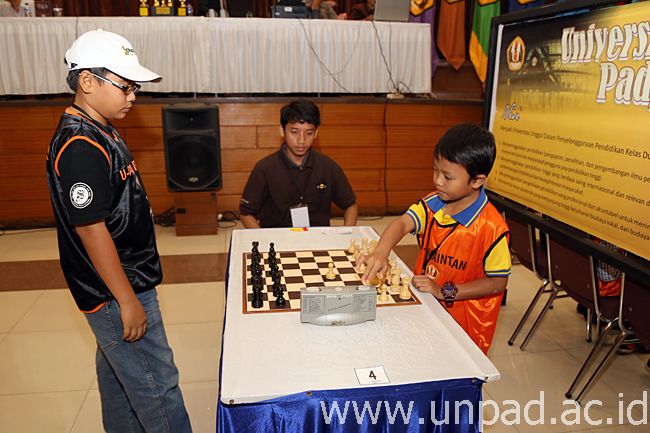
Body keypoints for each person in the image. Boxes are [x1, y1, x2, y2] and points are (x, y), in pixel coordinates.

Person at [45, 30, 192, 433]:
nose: (133, 96)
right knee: (158, 388)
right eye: (125, 87)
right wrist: (127, 300)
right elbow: (91, 230)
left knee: (120, 384)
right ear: (87, 82)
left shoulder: (102, 128)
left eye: (135, 88)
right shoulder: (80, 145)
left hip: (123, 282)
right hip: (117, 289)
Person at [357, 124, 511, 354]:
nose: (438, 181)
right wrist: (381, 252)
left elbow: (498, 283)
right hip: (426, 306)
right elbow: (402, 223)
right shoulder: (434, 203)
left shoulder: (492, 228)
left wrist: (444, 291)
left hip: (465, 328)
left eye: (448, 177)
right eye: (435, 171)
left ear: (477, 181)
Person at [240, 100, 358, 228]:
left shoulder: (328, 166)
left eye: (309, 133)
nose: (301, 140)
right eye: (294, 132)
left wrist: (347, 232)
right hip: (277, 236)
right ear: (282, 131)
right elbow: (246, 213)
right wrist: (263, 238)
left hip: (317, 236)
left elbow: (350, 206)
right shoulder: (265, 168)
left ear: (316, 133)